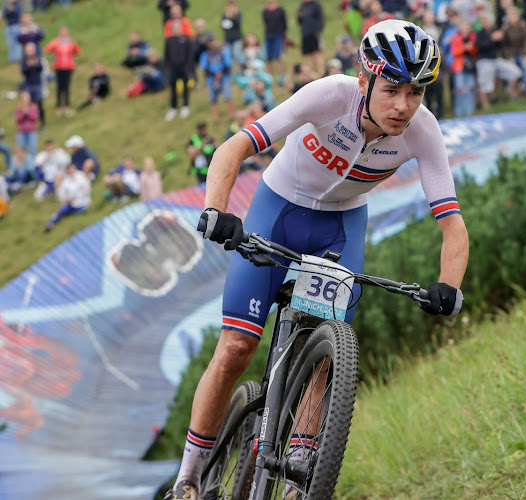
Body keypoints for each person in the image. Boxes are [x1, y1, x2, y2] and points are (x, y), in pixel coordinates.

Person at [165, 19, 468, 499]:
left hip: (341, 229)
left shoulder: (422, 131)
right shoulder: (328, 95)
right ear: (365, 79)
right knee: (236, 349)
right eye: (392, 90)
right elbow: (235, 146)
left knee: (329, 350)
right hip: (277, 210)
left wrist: (448, 285)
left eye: (416, 92)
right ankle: (190, 477)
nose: (403, 106)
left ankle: (301, 467)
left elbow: (452, 222)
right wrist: (216, 210)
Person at [164, 3, 194, 121]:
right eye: (174, 27)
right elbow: (166, 55)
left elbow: (190, 55)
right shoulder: (169, 40)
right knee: (173, 88)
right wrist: (167, 68)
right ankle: (173, 107)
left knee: (186, 87)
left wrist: (189, 67)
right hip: (173, 67)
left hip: (184, 66)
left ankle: (185, 106)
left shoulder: (186, 39)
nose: (176, 28)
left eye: (178, 26)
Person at [45, 25, 81, 117]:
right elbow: (48, 49)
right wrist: (55, 42)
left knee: (67, 87)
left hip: (68, 68)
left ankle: (67, 106)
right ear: (59, 33)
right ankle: (58, 106)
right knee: (59, 87)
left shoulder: (71, 42)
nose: (63, 34)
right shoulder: (56, 42)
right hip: (59, 67)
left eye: (65, 32)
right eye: (62, 32)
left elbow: (78, 52)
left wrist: (74, 44)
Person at [44, 162, 90, 232]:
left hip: (82, 202)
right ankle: (51, 223)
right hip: (71, 204)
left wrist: (76, 197)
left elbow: (86, 189)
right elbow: (62, 194)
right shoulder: (66, 181)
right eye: (69, 169)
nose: (71, 170)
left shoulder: (81, 176)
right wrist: (66, 199)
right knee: (62, 210)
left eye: (71, 168)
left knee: (80, 211)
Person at [199, 33, 234, 123]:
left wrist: (220, 73)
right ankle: (216, 118)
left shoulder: (223, 51)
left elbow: (228, 64)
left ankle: (231, 116)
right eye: (209, 42)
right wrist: (214, 75)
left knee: (228, 97)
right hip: (211, 80)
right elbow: (204, 68)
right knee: (213, 100)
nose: (212, 43)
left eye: (213, 41)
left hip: (224, 78)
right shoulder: (205, 54)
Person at [20, 42, 45, 129]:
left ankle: (42, 123)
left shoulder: (37, 58)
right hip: (29, 85)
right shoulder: (24, 60)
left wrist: (35, 63)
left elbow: (41, 68)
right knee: (29, 105)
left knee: (39, 103)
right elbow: (24, 71)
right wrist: (30, 65)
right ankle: (31, 123)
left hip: (37, 84)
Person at [297, 0, 325, 76]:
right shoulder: (302, 6)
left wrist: (319, 30)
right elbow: (299, 21)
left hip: (314, 32)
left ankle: (321, 71)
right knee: (308, 53)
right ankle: (310, 72)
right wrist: (300, 17)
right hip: (305, 33)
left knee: (317, 51)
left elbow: (321, 18)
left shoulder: (316, 5)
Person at [262, 0, 287, 86]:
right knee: (268, 58)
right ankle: (269, 77)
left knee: (278, 56)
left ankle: (281, 76)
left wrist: (285, 37)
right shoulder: (265, 11)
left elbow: (284, 24)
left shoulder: (280, 11)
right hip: (269, 35)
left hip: (278, 35)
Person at [15, 90, 39, 173]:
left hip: (31, 131)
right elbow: (18, 119)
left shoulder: (33, 107)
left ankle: (32, 168)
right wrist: (23, 112)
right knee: (20, 150)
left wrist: (27, 113)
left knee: (32, 149)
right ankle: (22, 169)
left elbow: (35, 118)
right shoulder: (18, 109)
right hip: (22, 132)